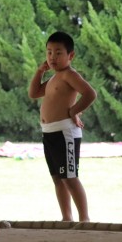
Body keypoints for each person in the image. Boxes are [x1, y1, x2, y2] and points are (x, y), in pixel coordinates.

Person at [28, 31, 97, 222]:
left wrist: (74, 111)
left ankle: (85, 219)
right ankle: (67, 218)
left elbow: (90, 94)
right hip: (49, 133)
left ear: (70, 56)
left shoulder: (70, 75)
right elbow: (34, 93)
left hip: (65, 131)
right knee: (58, 178)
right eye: (49, 52)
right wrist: (39, 71)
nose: (52, 57)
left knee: (70, 177)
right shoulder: (52, 78)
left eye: (58, 53)